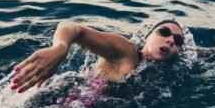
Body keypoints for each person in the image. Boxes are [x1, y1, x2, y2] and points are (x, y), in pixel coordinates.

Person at [11, 19, 185, 94]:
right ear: (147, 37)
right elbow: (73, 28)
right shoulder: (126, 52)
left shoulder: (164, 71)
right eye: (164, 32)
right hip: (59, 104)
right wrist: (60, 48)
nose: (170, 40)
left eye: (177, 41)